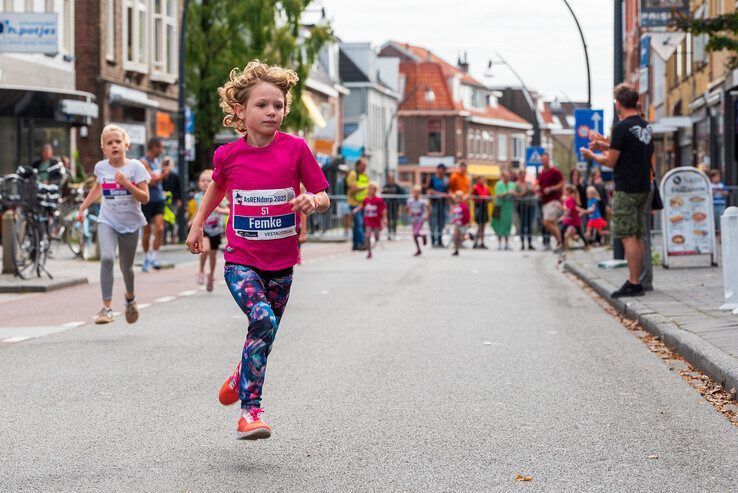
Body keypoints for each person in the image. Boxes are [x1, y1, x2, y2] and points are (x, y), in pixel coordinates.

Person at [186, 60, 330, 440]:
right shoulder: (228, 155)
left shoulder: (296, 149)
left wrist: (312, 202)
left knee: (264, 334)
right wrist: (199, 223)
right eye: (262, 105)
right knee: (263, 321)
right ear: (241, 111)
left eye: (278, 105)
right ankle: (250, 412)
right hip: (241, 261)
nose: (272, 112)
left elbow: (323, 195)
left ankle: (239, 374)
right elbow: (216, 187)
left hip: (282, 265)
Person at [581, 83, 654, 298]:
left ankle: (633, 282)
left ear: (618, 103)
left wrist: (592, 155)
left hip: (627, 189)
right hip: (643, 187)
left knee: (628, 236)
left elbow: (612, 161)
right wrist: (604, 145)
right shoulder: (645, 126)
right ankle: (638, 280)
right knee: (638, 235)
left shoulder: (621, 128)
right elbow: (630, 150)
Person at [76, 125, 150, 325]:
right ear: (104, 149)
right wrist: (82, 208)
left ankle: (130, 298)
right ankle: (107, 308)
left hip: (131, 224)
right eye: (109, 143)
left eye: (118, 141)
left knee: (127, 268)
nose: (114, 145)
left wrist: (127, 184)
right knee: (107, 257)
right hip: (107, 220)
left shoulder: (135, 167)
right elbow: (98, 188)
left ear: (126, 144)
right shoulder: (101, 167)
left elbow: (145, 198)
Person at [189, 169, 229, 292]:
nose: (205, 183)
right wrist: (192, 221)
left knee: (212, 255)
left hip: (216, 230)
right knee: (204, 249)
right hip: (203, 229)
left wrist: (219, 211)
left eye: (208, 180)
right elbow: (198, 211)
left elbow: (229, 210)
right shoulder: (197, 197)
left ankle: (211, 275)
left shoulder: (219, 196)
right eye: (202, 181)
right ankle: (201, 270)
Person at [139, 137, 171, 271]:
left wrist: (164, 173)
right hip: (147, 200)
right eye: (160, 147)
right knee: (146, 232)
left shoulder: (157, 162)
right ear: (153, 147)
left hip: (158, 200)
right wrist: (164, 174)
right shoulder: (143, 162)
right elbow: (151, 181)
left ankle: (154, 256)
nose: (161, 150)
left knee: (160, 228)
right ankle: (146, 256)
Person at [535, 152, 564, 252]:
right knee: (552, 223)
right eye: (542, 160)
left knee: (547, 222)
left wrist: (552, 188)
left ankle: (560, 241)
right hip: (545, 201)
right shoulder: (542, 172)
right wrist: (538, 191)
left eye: (545, 159)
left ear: (548, 160)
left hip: (553, 200)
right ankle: (560, 242)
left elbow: (562, 183)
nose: (544, 161)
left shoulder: (555, 171)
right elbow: (540, 186)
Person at [354, 182, 387, 259]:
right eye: (371, 189)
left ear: (376, 190)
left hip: (376, 221)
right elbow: (362, 205)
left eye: (374, 189)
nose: (372, 191)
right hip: (368, 221)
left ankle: (376, 239)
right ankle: (369, 252)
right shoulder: (366, 199)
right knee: (367, 236)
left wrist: (385, 218)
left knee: (376, 236)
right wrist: (356, 210)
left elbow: (384, 209)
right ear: (368, 190)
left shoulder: (379, 200)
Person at [347, 158, 369, 250]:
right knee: (359, 224)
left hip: (363, 204)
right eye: (364, 165)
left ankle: (356, 244)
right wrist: (365, 187)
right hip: (354, 203)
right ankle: (360, 244)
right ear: (359, 165)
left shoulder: (364, 175)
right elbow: (353, 189)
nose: (365, 167)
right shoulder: (353, 174)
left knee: (360, 225)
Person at [426, 164, 450, 247]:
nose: (443, 172)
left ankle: (439, 241)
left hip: (443, 204)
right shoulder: (432, 179)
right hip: (434, 203)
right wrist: (441, 194)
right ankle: (433, 241)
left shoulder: (446, 180)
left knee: (441, 223)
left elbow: (448, 191)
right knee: (433, 222)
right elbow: (429, 190)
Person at [492, 169, 516, 250]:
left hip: (508, 208)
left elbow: (515, 194)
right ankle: (499, 243)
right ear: (503, 177)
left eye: (508, 176)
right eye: (506, 176)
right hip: (499, 207)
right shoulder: (498, 184)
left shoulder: (512, 184)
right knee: (499, 225)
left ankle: (506, 244)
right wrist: (508, 193)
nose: (507, 178)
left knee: (507, 225)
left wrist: (513, 194)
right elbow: (498, 195)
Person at [559, 184, 583, 260]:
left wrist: (563, 210)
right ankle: (564, 253)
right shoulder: (569, 199)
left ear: (568, 191)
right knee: (567, 235)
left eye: (564, 191)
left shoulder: (570, 199)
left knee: (567, 235)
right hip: (570, 220)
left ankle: (564, 252)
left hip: (572, 221)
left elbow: (569, 210)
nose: (563, 192)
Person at [406, 184, 430, 256]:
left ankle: (423, 236)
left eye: (417, 192)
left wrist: (427, 215)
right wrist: (409, 211)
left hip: (420, 218)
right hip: (413, 219)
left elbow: (428, 207)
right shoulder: (410, 200)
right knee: (414, 235)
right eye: (414, 192)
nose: (416, 193)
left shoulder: (422, 201)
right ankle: (418, 249)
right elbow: (407, 208)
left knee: (415, 233)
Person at [381, 172, 405, 240]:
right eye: (389, 178)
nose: (390, 179)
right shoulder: (385, 186)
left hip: (395, 206)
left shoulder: (397, 186)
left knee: (394, 220)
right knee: (388, 220)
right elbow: (382, 195)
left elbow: (402, 194)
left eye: (392, 178)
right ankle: (389, 233)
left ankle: (394, 233)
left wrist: (400, 203)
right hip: (387, 206)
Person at [516, 171, 536, 250]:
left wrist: (532, 190)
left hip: (530, 206)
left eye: (525, 175)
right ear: (520, 176)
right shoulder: (517, 184)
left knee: (530, 225)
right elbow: (518, 195)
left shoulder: (528, 183)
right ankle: (522, 243)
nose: (524, 177)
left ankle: (530, 243)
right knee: (522, 225)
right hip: (521, 207)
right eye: (523, 175)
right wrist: (526, 191)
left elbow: (533, 192)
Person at [472, 176, 490, 249]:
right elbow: (474, 198)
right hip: (479, 207)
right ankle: (476, 242)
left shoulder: (486, 187)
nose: (483, 181)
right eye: (481, 179)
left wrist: (487, 199)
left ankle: (482, 242)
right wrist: (482, 198)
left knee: (483, 226)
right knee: (479, 226)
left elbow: (489, 196)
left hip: (484, 207)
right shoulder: (475, 188)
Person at [450, 190, 470, 256]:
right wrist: (452, 220)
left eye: (459, 197)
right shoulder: (454, 206)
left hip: (463, 224)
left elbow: (467, 215)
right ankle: (456, 250)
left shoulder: (464, 206)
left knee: (461, 237)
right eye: (456, 197)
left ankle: (469, 236)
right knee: (455, 237)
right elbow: (453, 214)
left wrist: (468, 222)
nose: (457, 199)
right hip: (457, 224)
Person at [334, 164, 352, 238]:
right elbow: (337, 190)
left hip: (348, 199)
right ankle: (345, 230)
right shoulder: (339, 180)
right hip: (342, 200)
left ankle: (348, 229)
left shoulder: (348, 179)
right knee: (344, 216)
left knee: (349, 215)